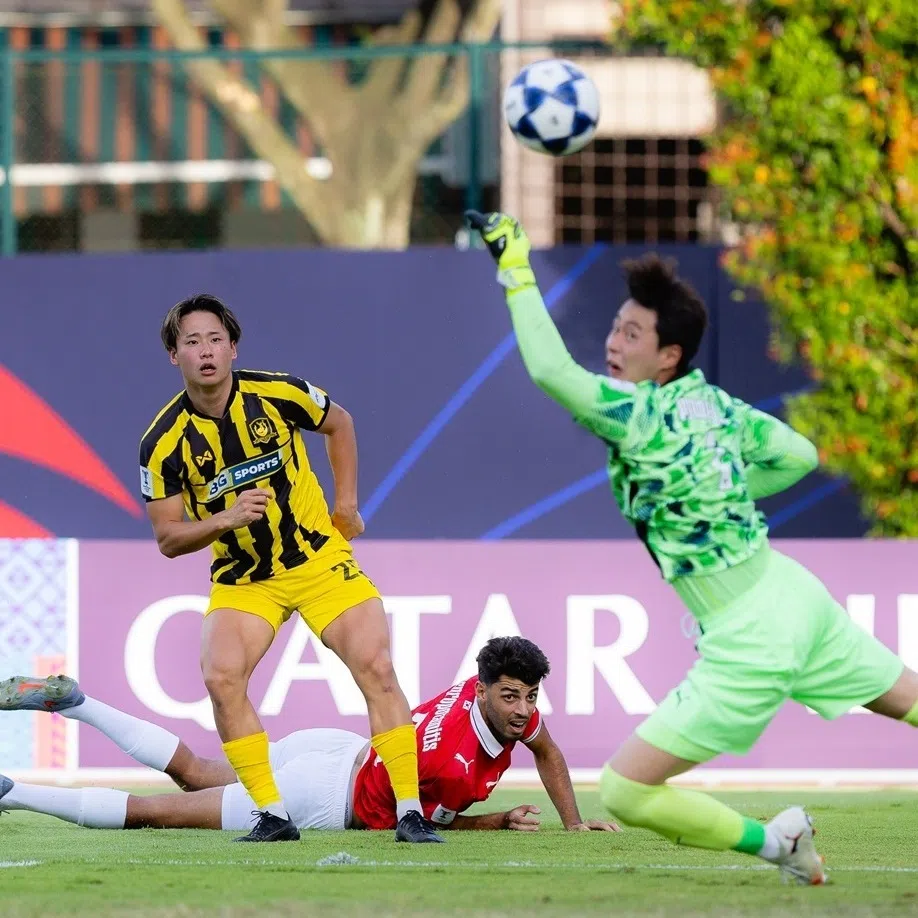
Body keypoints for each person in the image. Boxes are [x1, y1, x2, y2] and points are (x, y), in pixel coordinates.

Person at [465, 211, 918, 885]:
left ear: (668, 355)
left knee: (622, 792)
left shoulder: (638, 416)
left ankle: (778, 842)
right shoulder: (716, 407)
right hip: (793, 594)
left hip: (751, 632)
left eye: (632, 333)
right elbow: (801, 453)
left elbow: (553, 372)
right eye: (616, 326)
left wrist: (514, 264)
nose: (615, 343)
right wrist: (724, 493)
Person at [137, 293, 438, 843]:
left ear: (233, 348)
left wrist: (345, 505)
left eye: (214, 339)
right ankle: (273, 815)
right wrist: (226, 519)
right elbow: (168, 539)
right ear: (173, 357)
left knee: (375, 664)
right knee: (220, 677)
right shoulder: (161, 443)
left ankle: (410, 812)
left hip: (318, 559)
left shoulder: (279, 393)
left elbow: (339, 424)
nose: (204, 351)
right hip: (244, 579)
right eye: (190, 342)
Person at [0, 639, 618, 835]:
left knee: (193, 769)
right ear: (482, 691)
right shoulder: (448, 764)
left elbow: (547, 748)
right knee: (152, 812)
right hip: (321, 794)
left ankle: (78, 703)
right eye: (511, 696)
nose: (524, 712)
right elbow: (422, 822)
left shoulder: (487, 694)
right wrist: (494, 820)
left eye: (530, 698)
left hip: (332, 746)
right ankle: (11, 791)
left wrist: (571, 822)